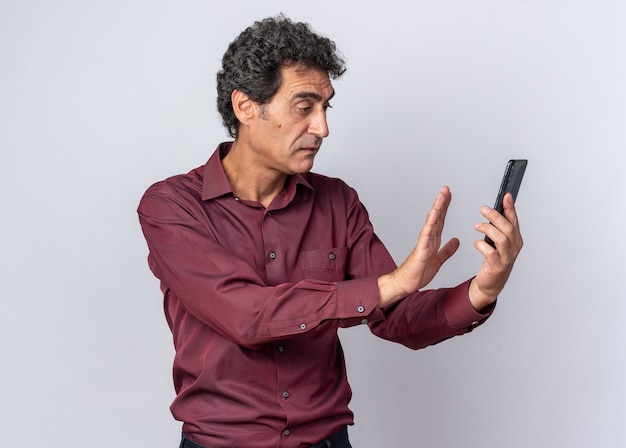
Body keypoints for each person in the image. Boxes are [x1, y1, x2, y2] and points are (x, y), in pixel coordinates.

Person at [137, 15, 523, 448]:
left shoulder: (338, 202)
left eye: (325, 107)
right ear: (245, 106)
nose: (322, 128)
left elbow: (395, 315)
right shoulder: (171, 207)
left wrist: (481, 291)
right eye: (304, 107)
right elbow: (246, 315)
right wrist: (388, 285)